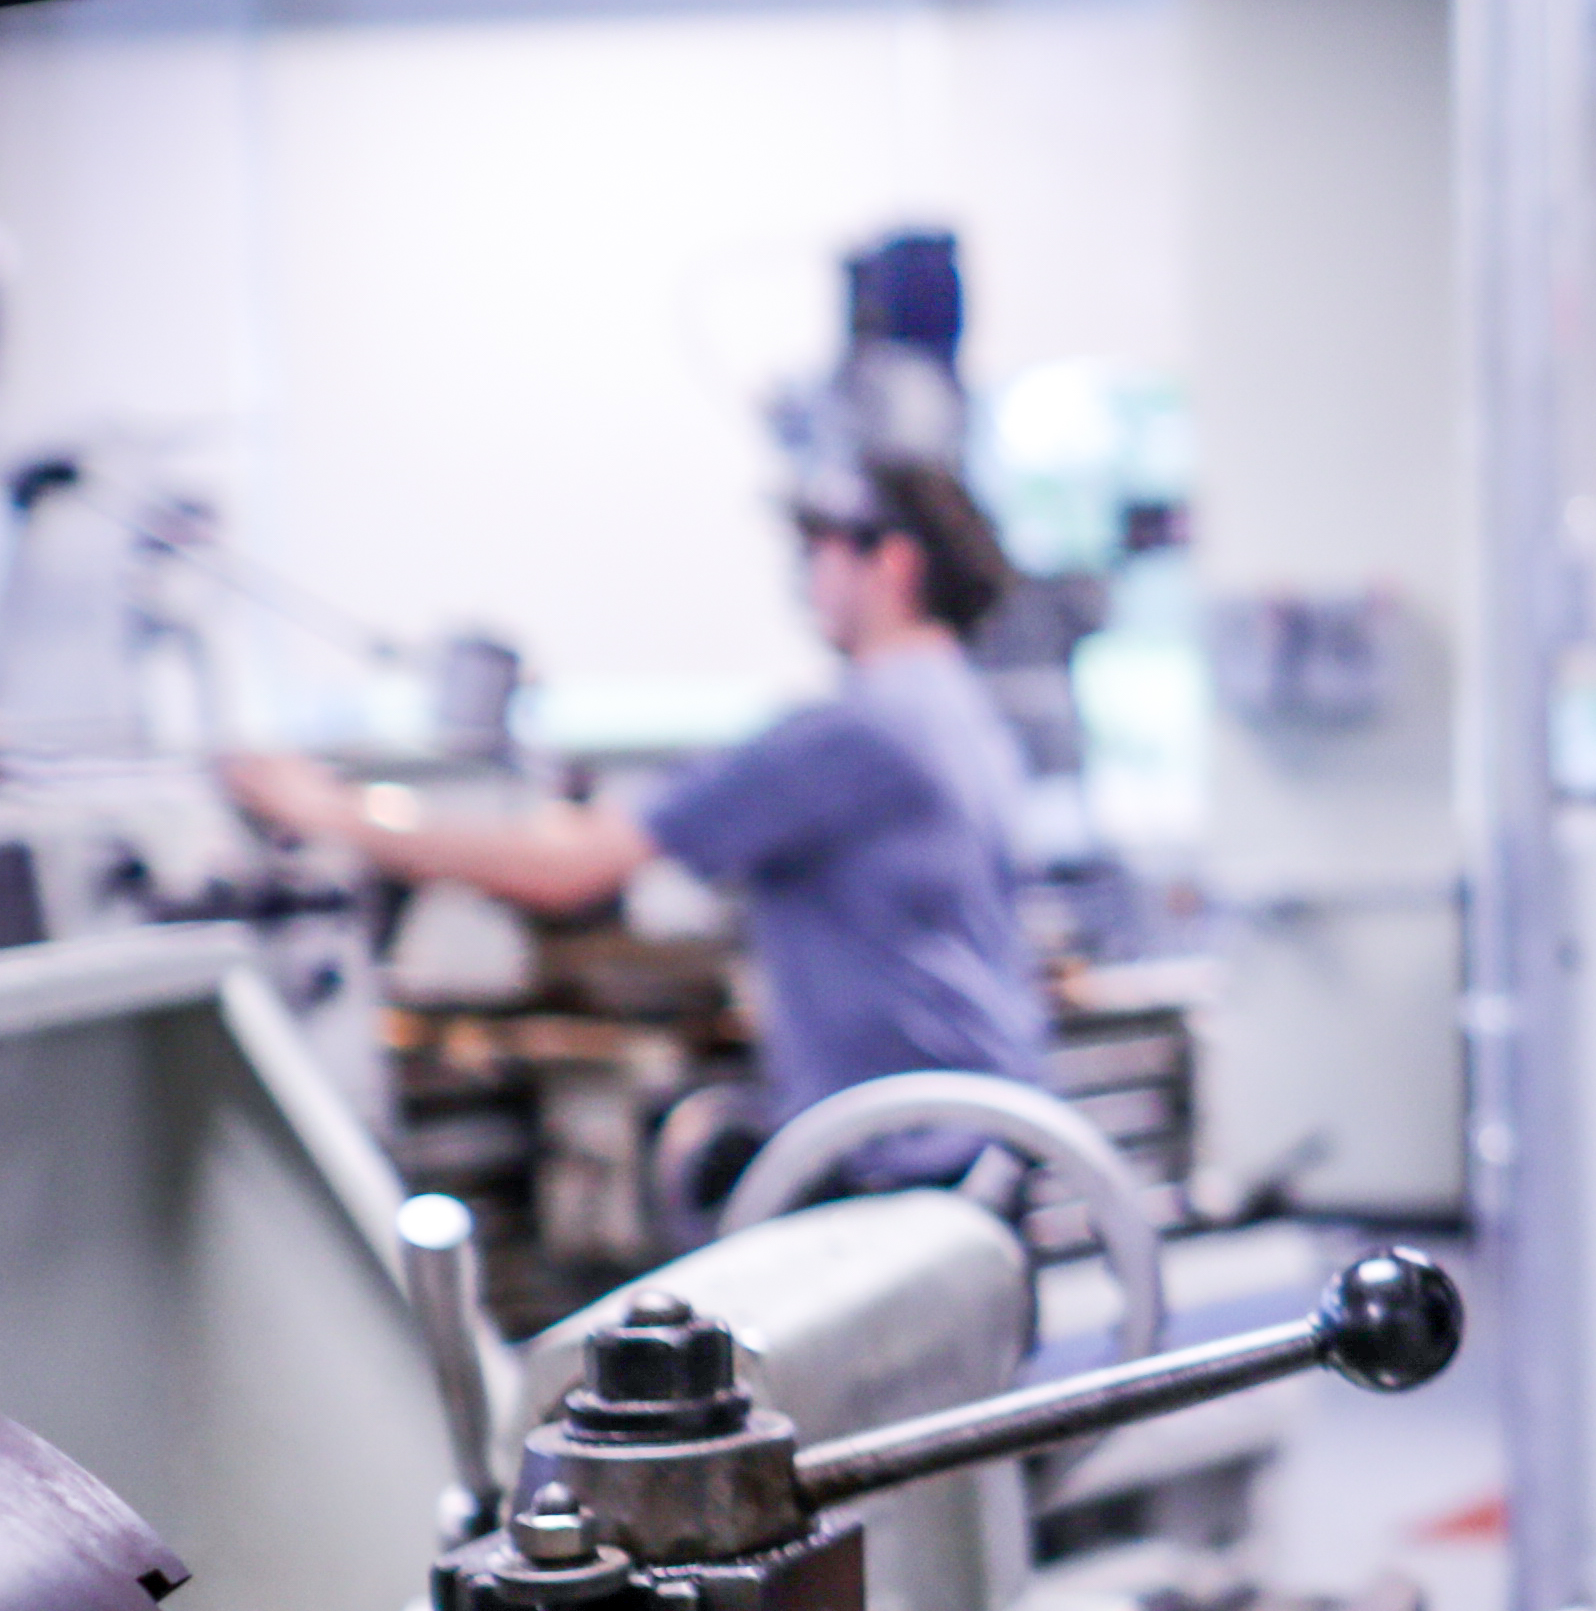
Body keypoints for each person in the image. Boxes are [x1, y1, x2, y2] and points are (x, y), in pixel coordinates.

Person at [228, 452, 1056, 1149]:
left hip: (908, 1153)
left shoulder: (856, 729)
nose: (805, 576)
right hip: (989, 1125)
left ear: (893, 564)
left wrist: (327, 810)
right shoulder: (959, 710)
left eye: (819, 551)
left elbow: (572, 867)